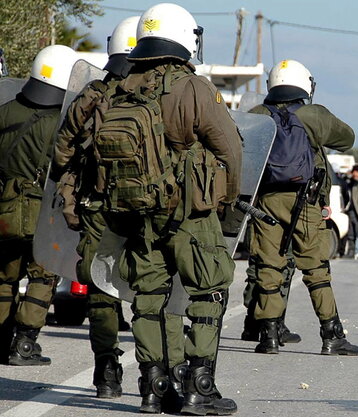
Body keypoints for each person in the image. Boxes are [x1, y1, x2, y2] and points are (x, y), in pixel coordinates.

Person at [95, 4, 242, 413]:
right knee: (208, 291)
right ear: (184, 37)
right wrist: (225, 201)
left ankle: (153, 387)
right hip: (190, 214)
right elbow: (230, 148)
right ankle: (199, 386)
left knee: (148, 297)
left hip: (138, 212)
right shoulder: (193, 87)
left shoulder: (123, 83)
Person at [51, 16, 185, 400]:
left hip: (97, 207)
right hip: (149, 208)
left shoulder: (93, 93)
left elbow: (62, 151)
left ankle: (106, 371)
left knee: (100, 289)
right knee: (151, 290)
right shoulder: (161, 92)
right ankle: (152, 377)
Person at [247, 59, 358, 359]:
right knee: (316, 269)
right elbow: (347, 139)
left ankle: (269, 335)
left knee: (268, 267)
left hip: (266, 201)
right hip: (306, 202)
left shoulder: (258, 114)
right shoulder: (313, 115)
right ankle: (331, 335)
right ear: (304, 84)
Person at [0, 45, 77, 367]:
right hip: (43, 214)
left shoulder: (4, 111)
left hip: (4, 210)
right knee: (43, 275)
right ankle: (25, 344)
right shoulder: (62, 123)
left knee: (4, 275)